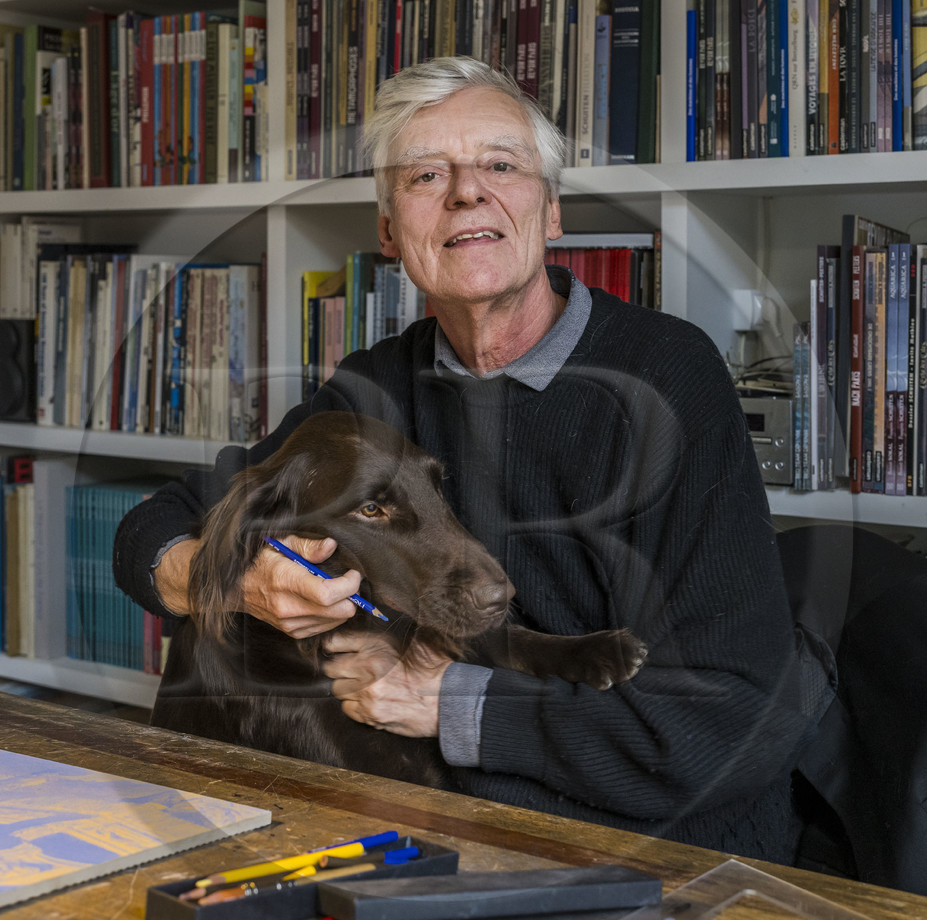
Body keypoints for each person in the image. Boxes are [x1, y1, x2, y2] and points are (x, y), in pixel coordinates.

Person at [113, 55, 834, 862]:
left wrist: (447, 701)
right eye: (427, 175)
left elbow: (728, 727)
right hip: (443, 830)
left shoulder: (668, 376)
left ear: (551, 211)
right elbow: (153, 526)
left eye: (500, 165)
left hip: (659, 856)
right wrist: (237, 578)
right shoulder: (375, 385)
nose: (467, 192)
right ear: (390, 233)